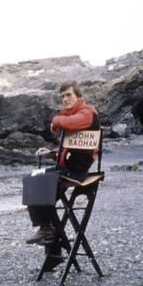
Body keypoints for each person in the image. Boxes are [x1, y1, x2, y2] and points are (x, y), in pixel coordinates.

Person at [26, 80, 100, 244]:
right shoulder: (71, 115)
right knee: (33, 178)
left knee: (42, 184)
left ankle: (49, 231)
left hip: (76, 172)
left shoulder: (87, 113)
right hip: (66, 169)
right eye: (62, 96)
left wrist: (56, 121)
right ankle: (48, 231)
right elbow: (71, 148)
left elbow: (69, 123)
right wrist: (52, 153)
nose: (65, 99)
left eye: (69, 95)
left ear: (78, 96)